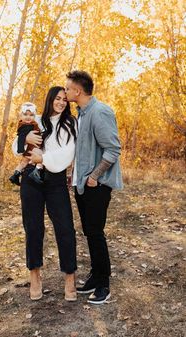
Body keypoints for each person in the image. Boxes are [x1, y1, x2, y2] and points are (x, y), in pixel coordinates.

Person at [12, 86, 77, 301]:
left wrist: (44, 159)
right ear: (50, 99)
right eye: (57, 98)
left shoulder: (70, 123)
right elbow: (16, 147)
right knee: (33, 227)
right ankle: (35, 276)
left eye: (64, 100)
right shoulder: (35, 118)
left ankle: (69, 278)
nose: (60, 102)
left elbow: (68, 152)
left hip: (55, 179)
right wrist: (27, 138)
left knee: (65, 227)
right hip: (31, 178)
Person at [65, 70, 123, 305]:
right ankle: (95, 276)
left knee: (96, 233)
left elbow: (113, 149)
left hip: (96, 186)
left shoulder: (100, 112)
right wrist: (74, 175)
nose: (65, 91)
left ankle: (103, 285)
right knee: (90, 232)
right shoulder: (82, 114)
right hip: (82, 185)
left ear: (78, 91)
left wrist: (94, 176)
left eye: (68, 88)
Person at [9, 102, 43, 186]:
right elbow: (21, 138)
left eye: (31, 115)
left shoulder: (28, 124)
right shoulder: (26, 126)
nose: (28, 117)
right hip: (33, 148)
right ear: (21, 115)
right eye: (25, 114)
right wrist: (20, 149)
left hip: (29, 148)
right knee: (40, 157)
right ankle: (37, 171)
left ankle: (16, 174)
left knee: (23, 163)